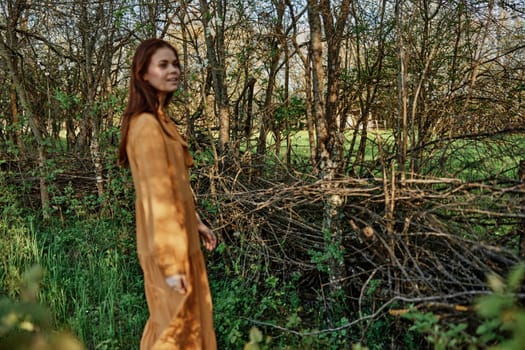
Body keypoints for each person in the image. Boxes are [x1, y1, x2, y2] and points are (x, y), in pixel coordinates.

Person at [118, 38, 217, 349]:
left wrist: (196, 221)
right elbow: (156, 199)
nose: (173, 70)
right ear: (143, 74)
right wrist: (172, 267)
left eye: (175, 64)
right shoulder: (146, 126)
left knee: (185, 327)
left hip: (182, 241)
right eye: (163, 65)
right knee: (174, 333)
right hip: (168, 252)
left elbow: (175, 186)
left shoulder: (163, 122)